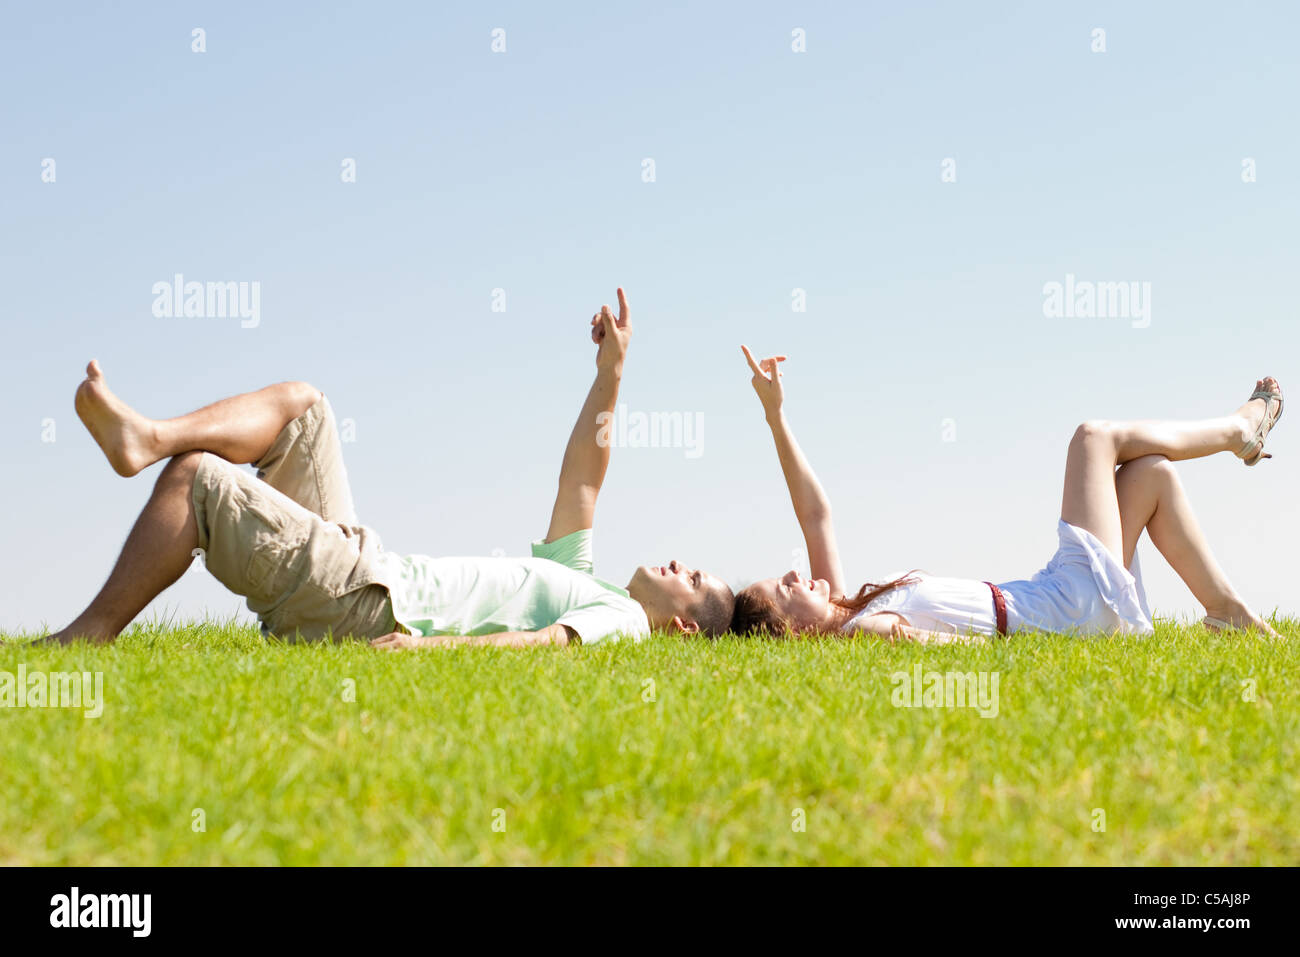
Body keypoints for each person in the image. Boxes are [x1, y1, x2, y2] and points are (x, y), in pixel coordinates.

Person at [44, 288, 734, 648]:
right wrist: (612, 370)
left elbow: (546, 643)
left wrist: (429, 653)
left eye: (692, 577)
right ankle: (147, 436)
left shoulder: (625, 624)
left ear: (681, 627)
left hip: (373, 604)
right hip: (372, 569)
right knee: (304, 408)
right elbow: (581, 480)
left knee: (197, 480)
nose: (680, 563)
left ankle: (87, 636)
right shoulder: (588, 582)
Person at [730, 345, 1284, 643]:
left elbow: (815, 516)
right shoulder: (862, 630)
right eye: (785, 588)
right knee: (1094, 437)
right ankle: (1239, 432)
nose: (796, 573)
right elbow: (959, 651)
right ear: (793, 630)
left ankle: (1227, 613)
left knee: (1151, 476)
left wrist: (775, 417)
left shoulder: (852, 606)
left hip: (1055, 596)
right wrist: (1056, 642)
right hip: (1065, 609)